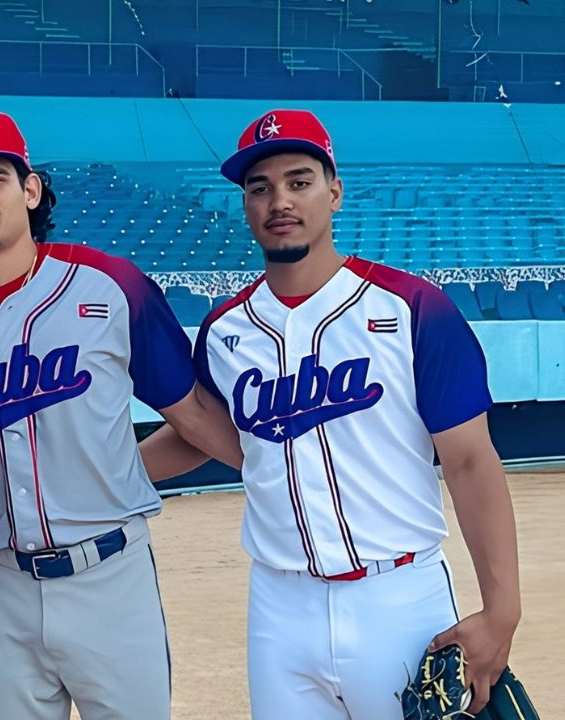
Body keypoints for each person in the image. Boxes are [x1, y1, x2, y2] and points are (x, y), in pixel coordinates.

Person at [142, 108, 522, 718]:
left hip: (398, 592)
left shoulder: (411, 308)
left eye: (299, 181)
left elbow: (472, 460)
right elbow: (200, 433)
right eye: (259, 188)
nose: (279, 201)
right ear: (245, 205)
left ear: (335, 192)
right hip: (278, 605)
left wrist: (502, 610)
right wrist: (102, 470)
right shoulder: (224, 328)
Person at [0, 109, 241, 720]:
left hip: (110, 573)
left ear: (30, 190)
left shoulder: (111, 286)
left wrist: (279, 478)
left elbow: (192, 413)